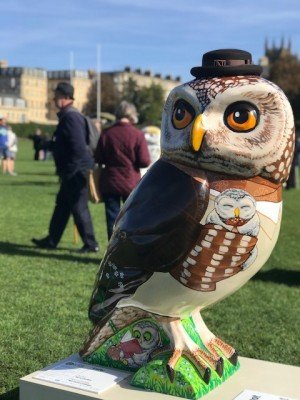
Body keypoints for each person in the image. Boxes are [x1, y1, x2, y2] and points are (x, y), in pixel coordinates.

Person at [32, 82, 99, 252]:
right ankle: (52, 240)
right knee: (62, 206)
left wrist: (72, 169)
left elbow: (76, 146)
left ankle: (91, 244)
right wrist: (48, 144)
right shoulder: (70, 116)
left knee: (78, 207)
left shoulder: (70, 117)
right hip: (74, 169)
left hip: (75, 171)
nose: (54, 99)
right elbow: (65, 144)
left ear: (63, 97)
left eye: (56, 96)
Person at [95, 100, 151, 239]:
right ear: (132, 115)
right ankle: (128, 249)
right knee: (132, 218)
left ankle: (112, 248)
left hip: (110, 181)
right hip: (130, 182)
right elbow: (144, 161)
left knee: (112, 218)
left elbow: (98, 158)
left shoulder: (107, 133)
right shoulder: (137, 134)